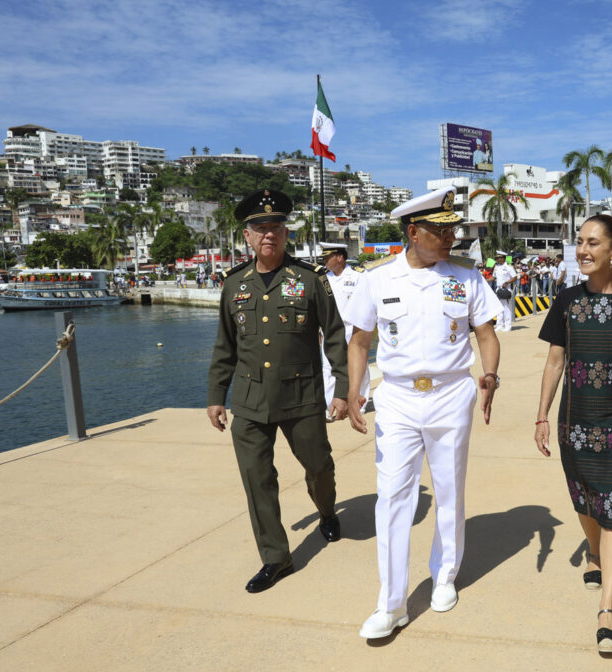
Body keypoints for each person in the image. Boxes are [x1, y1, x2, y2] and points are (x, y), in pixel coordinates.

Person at [343, 187, 502, 640]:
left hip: (451, 394)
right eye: (441, 231)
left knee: (449, 488)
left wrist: (490, 376)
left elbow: (486, 334)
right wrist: (354, 391)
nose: (451, 238)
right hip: (397, 397)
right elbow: (359, 342)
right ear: (413, 233)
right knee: (393, 495)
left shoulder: (466, 277)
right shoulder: (377, 279)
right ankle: (391, 604)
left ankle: (444, 575)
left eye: (453, 230)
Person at [206, 188, 349, 594]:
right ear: (247, 236)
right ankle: (276, 557)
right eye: (260, 228)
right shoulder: (234, 284)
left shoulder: (310, 279)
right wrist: (216, 396)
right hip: (250, 400)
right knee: (257, 480)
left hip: (301, 396)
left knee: (319, 466)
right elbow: (225, 345)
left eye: (275, 227)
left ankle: (327, 511)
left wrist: (342, 388)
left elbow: (334, 335)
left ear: (286, 233)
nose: (268, 234)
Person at [535, 214, 612, 654]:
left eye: (592, 242)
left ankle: (608, 608)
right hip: (574, 421)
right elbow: (555, 361)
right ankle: (593, 550)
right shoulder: (566, 301)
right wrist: (542, 416)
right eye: (580, 242)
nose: (583, 250)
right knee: (583, 497)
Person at [318, 242, 370, 418]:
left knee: (359, 366)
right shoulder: (323, 278)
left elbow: (366, 303)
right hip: (330, 329)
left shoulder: (358, 276)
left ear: (339, 257)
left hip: (353, 328)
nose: (325, 260)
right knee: (328, 367)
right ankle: (331, 406)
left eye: (328, 257)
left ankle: (360, 403)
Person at [492, 251, 518, 332]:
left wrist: (507, 282)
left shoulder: (509, 267)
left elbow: (515, 277)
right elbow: (494, 277)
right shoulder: (496, 267)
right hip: (498, 289)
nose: (497, 259)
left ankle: (508, 326)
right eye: (497, 258)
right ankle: (499, 325)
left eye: (498, 258)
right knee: (499, 308)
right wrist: (485, 279)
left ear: (503, 258)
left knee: (507, 308)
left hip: (506, 289)